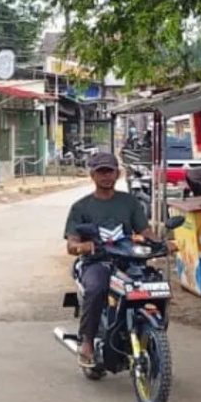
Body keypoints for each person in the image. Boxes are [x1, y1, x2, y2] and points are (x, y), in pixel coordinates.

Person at [64, 151, 170, 368]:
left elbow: (145, 231)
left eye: (109, 171)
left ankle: (150, 335)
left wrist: (162, 243)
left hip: (129, 261)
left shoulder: (130, 202)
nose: (106, 176)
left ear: (118, 174)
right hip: (97, 262)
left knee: (156, 285)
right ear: (92, 175)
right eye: (101, 171)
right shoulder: (81, 207)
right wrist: (82, 246)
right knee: (96, 289)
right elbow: (71, 244)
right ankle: (87, 342)